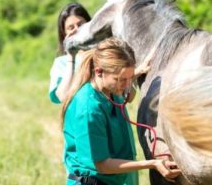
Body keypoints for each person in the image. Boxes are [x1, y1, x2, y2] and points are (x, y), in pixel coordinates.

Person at [61, 37, 181, 185]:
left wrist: (138, 71)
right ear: (98, 72)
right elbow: (102, 165)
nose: (127, 85)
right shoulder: (88, 110)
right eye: (122, 79)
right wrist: (152, 164)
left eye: (130, 78)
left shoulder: (111, 91)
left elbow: (129, 95)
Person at [49, 2, 91, 104]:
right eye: (71, 27)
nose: (77, 29)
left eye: (80, 24)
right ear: (64, 34)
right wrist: (71, 58)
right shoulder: (61, 63)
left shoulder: (104, 53)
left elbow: (128, 95)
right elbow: (62, 96)